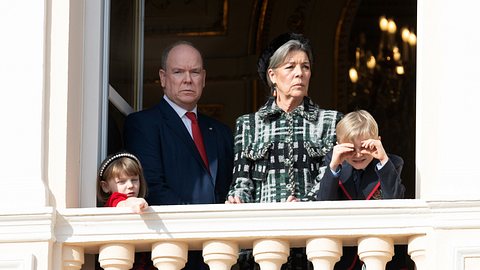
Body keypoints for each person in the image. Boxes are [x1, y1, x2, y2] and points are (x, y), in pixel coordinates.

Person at [226, 32, 343, 269]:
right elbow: (241, 180)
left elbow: (333, 176)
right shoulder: (248, 124)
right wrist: (238, 200)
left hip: (314, 244)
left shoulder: (330, 121)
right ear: (273, 76)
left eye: (305, 67)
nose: (300, 73)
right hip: (263, 246)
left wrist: (304, 205)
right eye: (290, 67)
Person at [123, 40, 234, 269]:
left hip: (218, 254)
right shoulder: (143, 124)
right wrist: (202, 224)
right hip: (171, 250)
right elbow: (152, 186)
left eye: (194, 72)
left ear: (203, 78)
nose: (188, 79)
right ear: (163, 78)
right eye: (178, 72)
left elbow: (227, 188)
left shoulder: (220, 132)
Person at [316, 110, 407, 269]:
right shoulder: (335, 163)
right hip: (345, 258)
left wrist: (383, 160)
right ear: (339, 146)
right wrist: (334, 166)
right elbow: (323, 203)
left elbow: (395, 201)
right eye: (351, 149)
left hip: (382, 255)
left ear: (377, 142)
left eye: (364, 147)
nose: (358, 154)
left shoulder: (391, 164)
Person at [96, 151, 154, 270]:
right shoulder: (114, 201)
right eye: (121, 182)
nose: (130, 185)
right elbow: (122, 203)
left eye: (134, 180)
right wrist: (133, 203)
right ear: (105, 186)